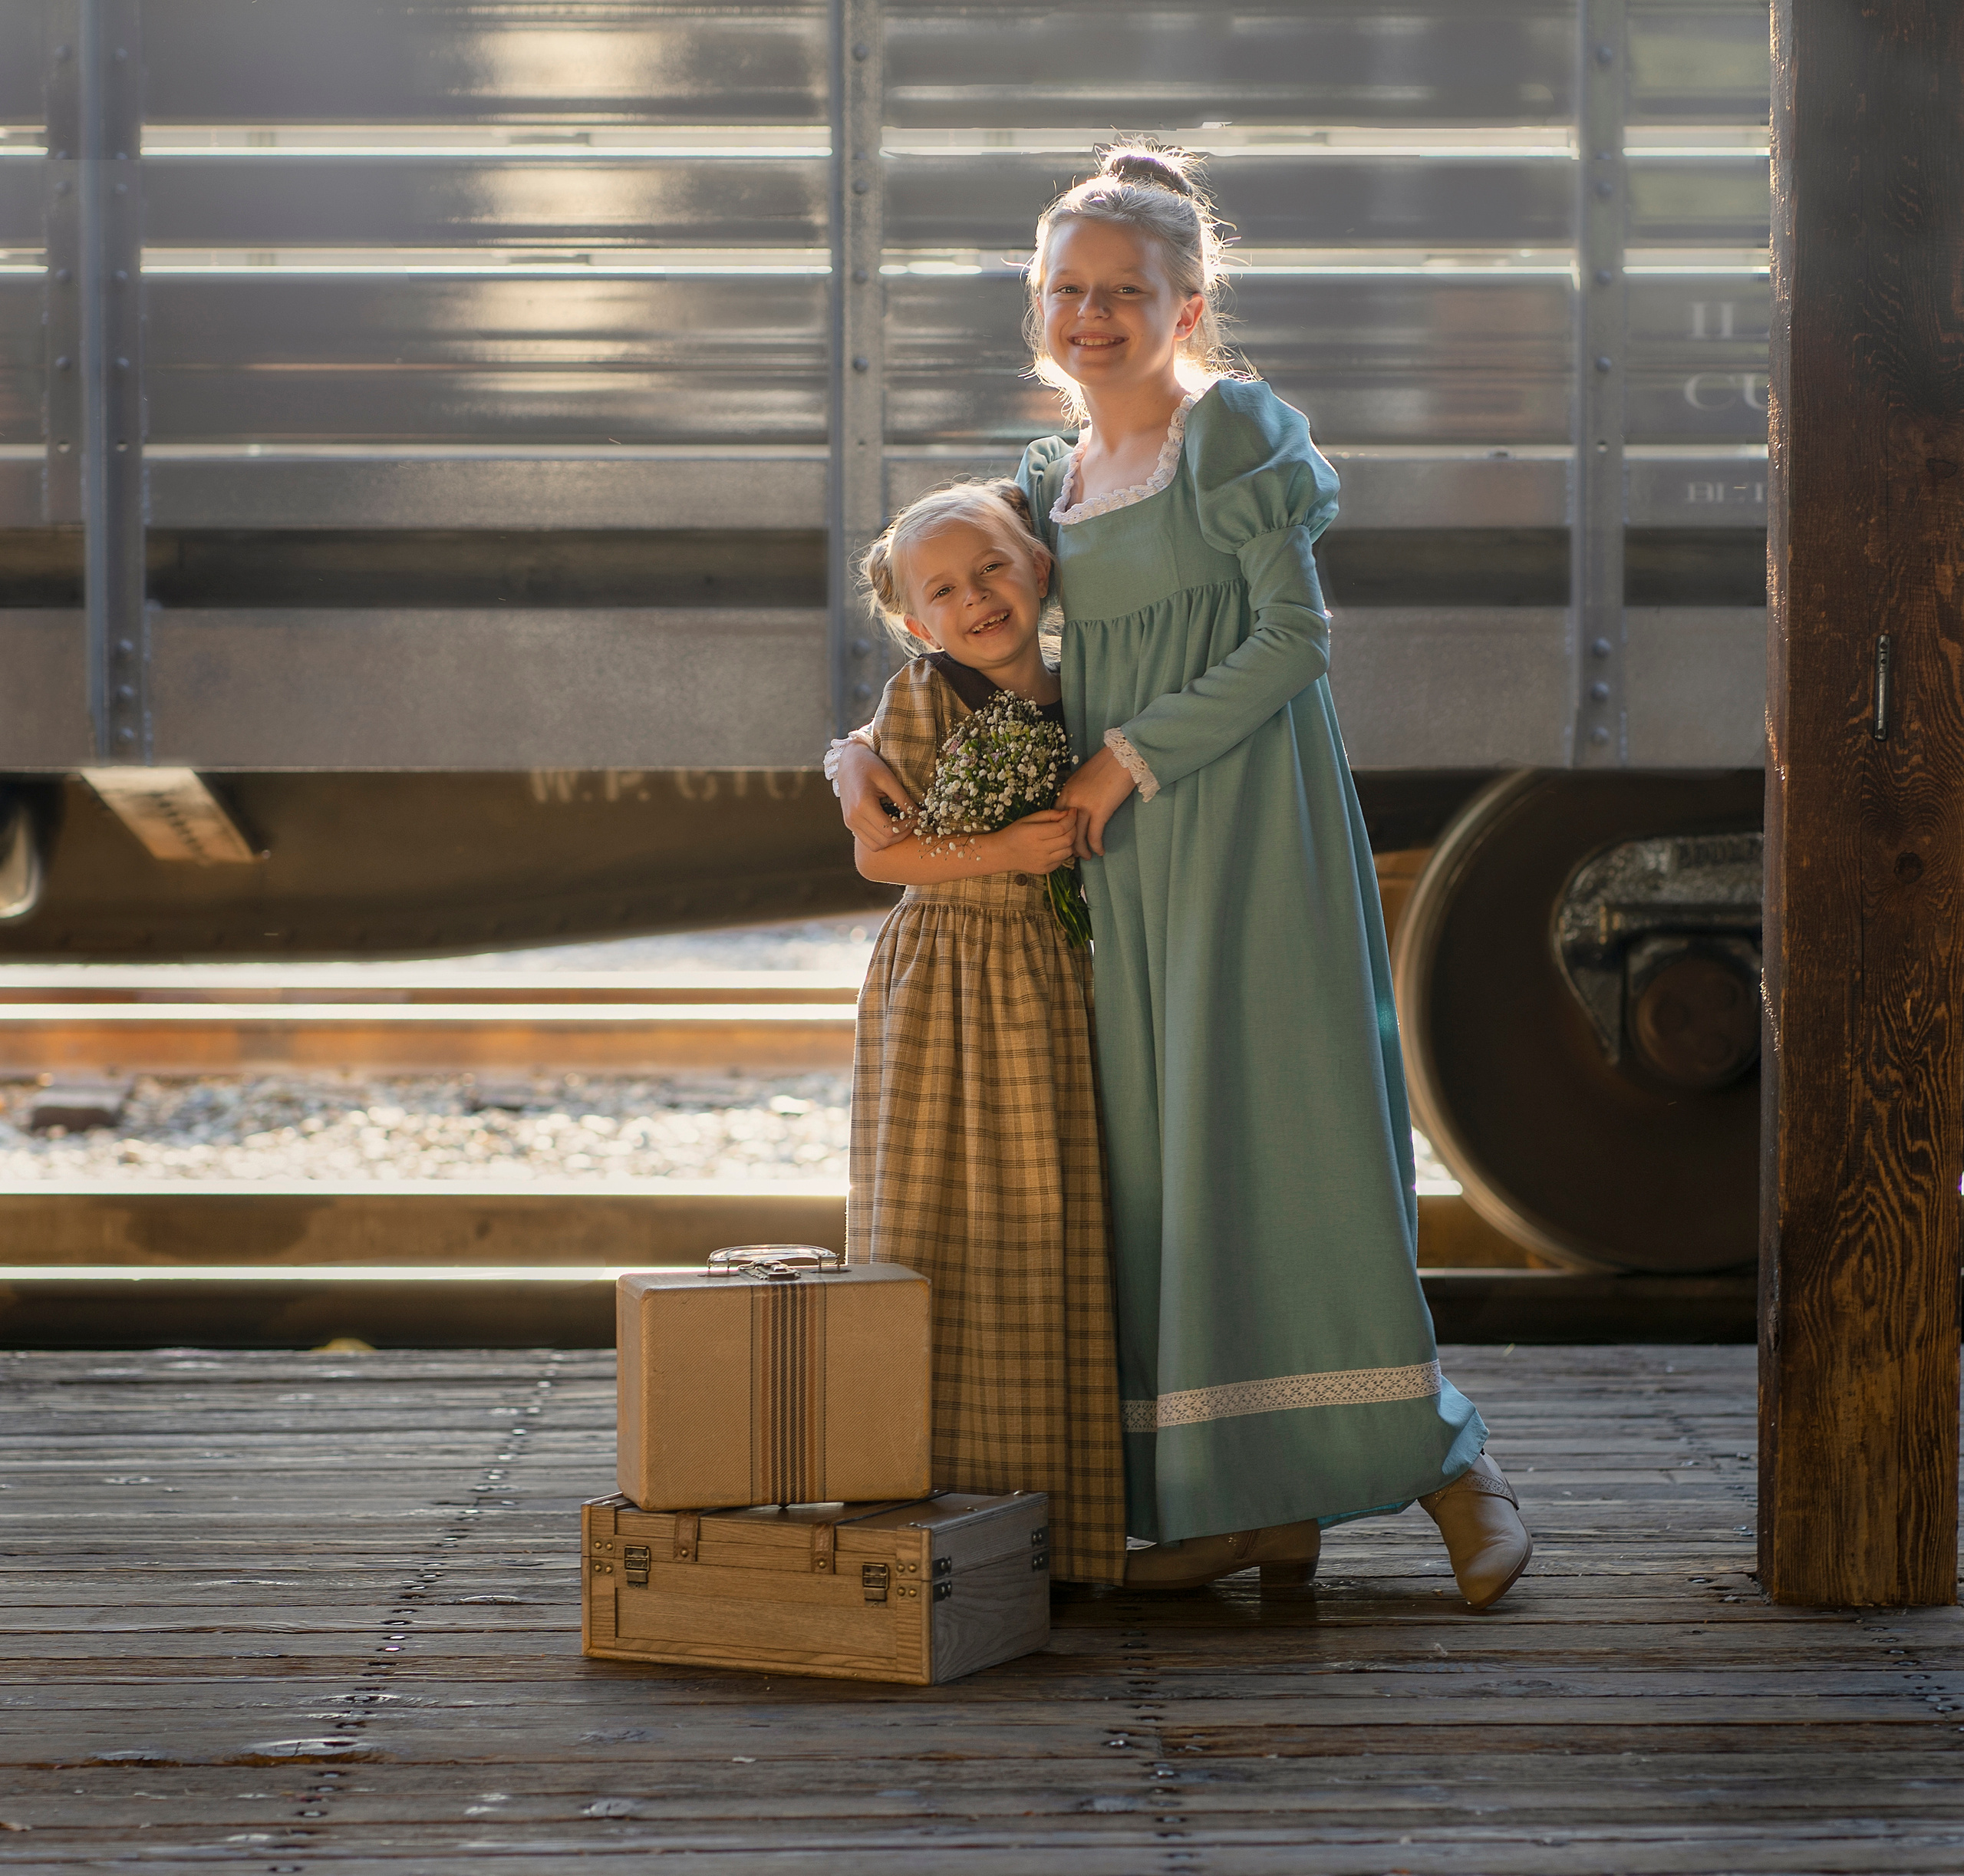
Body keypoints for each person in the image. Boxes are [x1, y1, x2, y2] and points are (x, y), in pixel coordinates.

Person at [832, 145, 1532, 1609]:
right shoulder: (1046, 479)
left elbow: (1294, 644)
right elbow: (966, 641)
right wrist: (854, 753)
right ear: (1039, 303)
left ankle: (1451, 1466)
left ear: (1187, 306)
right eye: (1069, 291)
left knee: (1294, 1150)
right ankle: (1245, 1507)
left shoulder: (1233, 438)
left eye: (1127, 293)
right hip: (1118, 869)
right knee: (1166, 1176)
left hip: (1238, 826)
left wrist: (1119, 762)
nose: (1094, 315)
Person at [844, 479, 1126, 1587]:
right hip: (946, 971)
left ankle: (1053, 1531)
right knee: (931, 1219)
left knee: (1048, 1218)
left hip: (1048, 978)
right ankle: (922, 1512)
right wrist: (1005, 854)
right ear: (919, 620)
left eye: (996, 569)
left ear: (1042, 569)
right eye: (947, 590)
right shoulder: (925, 696)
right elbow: (878, 857)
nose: (978, 599)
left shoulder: (1094, 693)